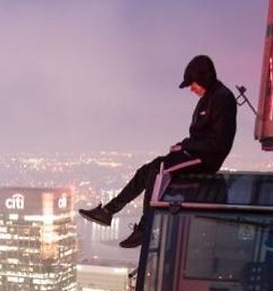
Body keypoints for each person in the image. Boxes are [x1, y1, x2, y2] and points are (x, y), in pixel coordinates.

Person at [79, 54, 237, 248]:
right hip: (195, 153)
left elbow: (219, 143)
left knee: (158, 170)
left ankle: (145, 228)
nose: (191, 89)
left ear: (204, 78)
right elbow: (202, 135)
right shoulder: (208, 99)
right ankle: (108, 211)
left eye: (193, 84)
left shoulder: (223, 98)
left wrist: (186, 146)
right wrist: (184, 145)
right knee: (147, 169)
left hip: (206, 159)